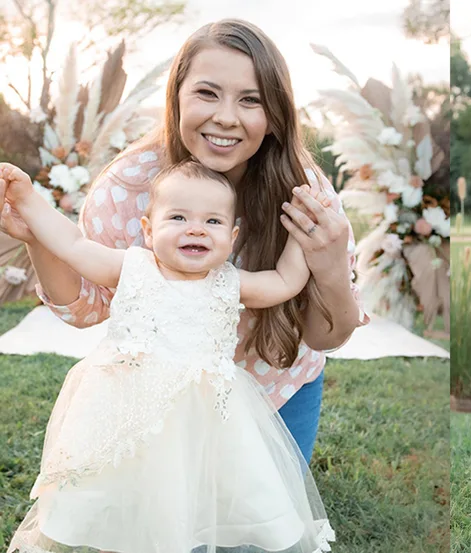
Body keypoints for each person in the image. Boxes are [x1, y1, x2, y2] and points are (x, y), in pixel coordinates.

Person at [0, 19, 367, 463]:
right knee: (160, 524)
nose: (226, 117)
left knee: (255, 529)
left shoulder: (304, 197)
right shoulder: (129, 185)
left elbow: (317, 322)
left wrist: (328, 267)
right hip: (157, 401)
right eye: (207, 93)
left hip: (273, 390)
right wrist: (35, 232)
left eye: (250, 100)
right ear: (175, 97)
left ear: (273, 117)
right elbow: (84, 297)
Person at [2, 159, 335, 552]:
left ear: (232, 236)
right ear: (147, 229)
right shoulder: (132, 268)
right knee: (118, 497)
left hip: (203, 423)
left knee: (190, 495)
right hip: (126, 412)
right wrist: (26, 199)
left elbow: (285, 280)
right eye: (178, 217)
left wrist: (302, 234)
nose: (195, 228)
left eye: (212, 222)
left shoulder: (229, 283)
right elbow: (72, 245)